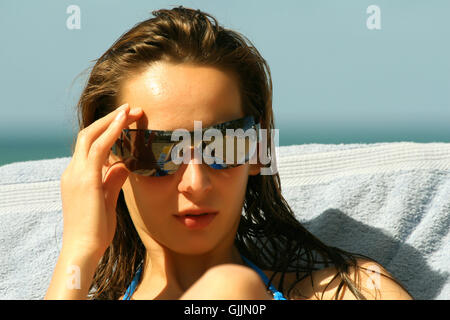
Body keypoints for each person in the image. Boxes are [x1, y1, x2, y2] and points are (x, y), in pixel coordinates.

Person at [45, 6, 413, 300]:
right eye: (157, 151)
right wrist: (79, 249)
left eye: (223, 144)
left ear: (258, 149)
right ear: (109, 158)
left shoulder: (354, 293)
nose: (196, 182)